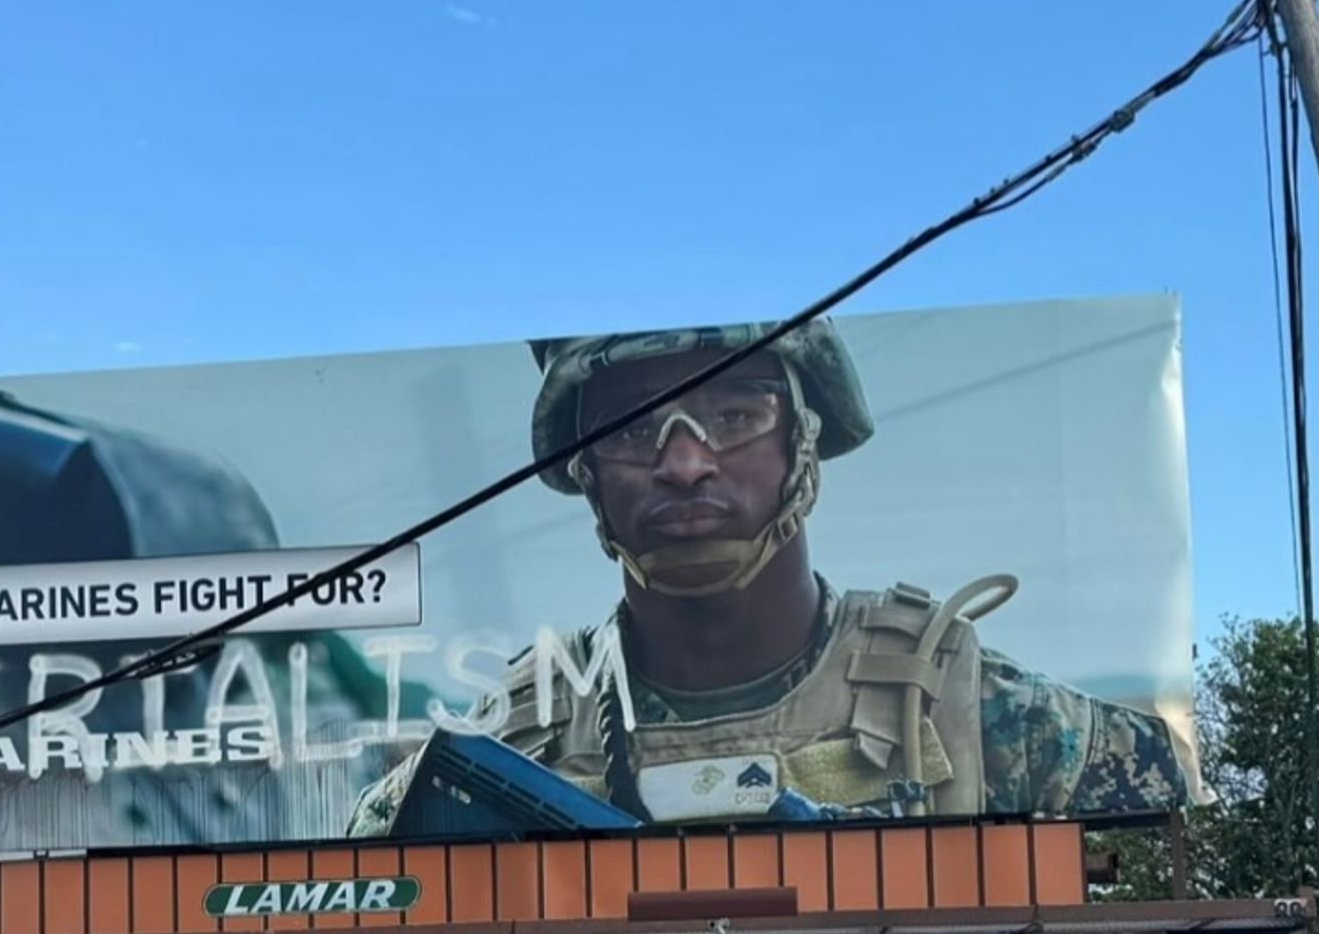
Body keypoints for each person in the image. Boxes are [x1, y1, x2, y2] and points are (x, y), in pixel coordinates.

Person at [350, 320, 1191, 833]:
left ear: (803, 441)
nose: (684, 462)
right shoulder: (527, 733)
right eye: (631, 430)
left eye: (735, 415)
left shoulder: (959, 701)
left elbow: (1174, 796)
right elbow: (355, 854)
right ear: (587, 474)